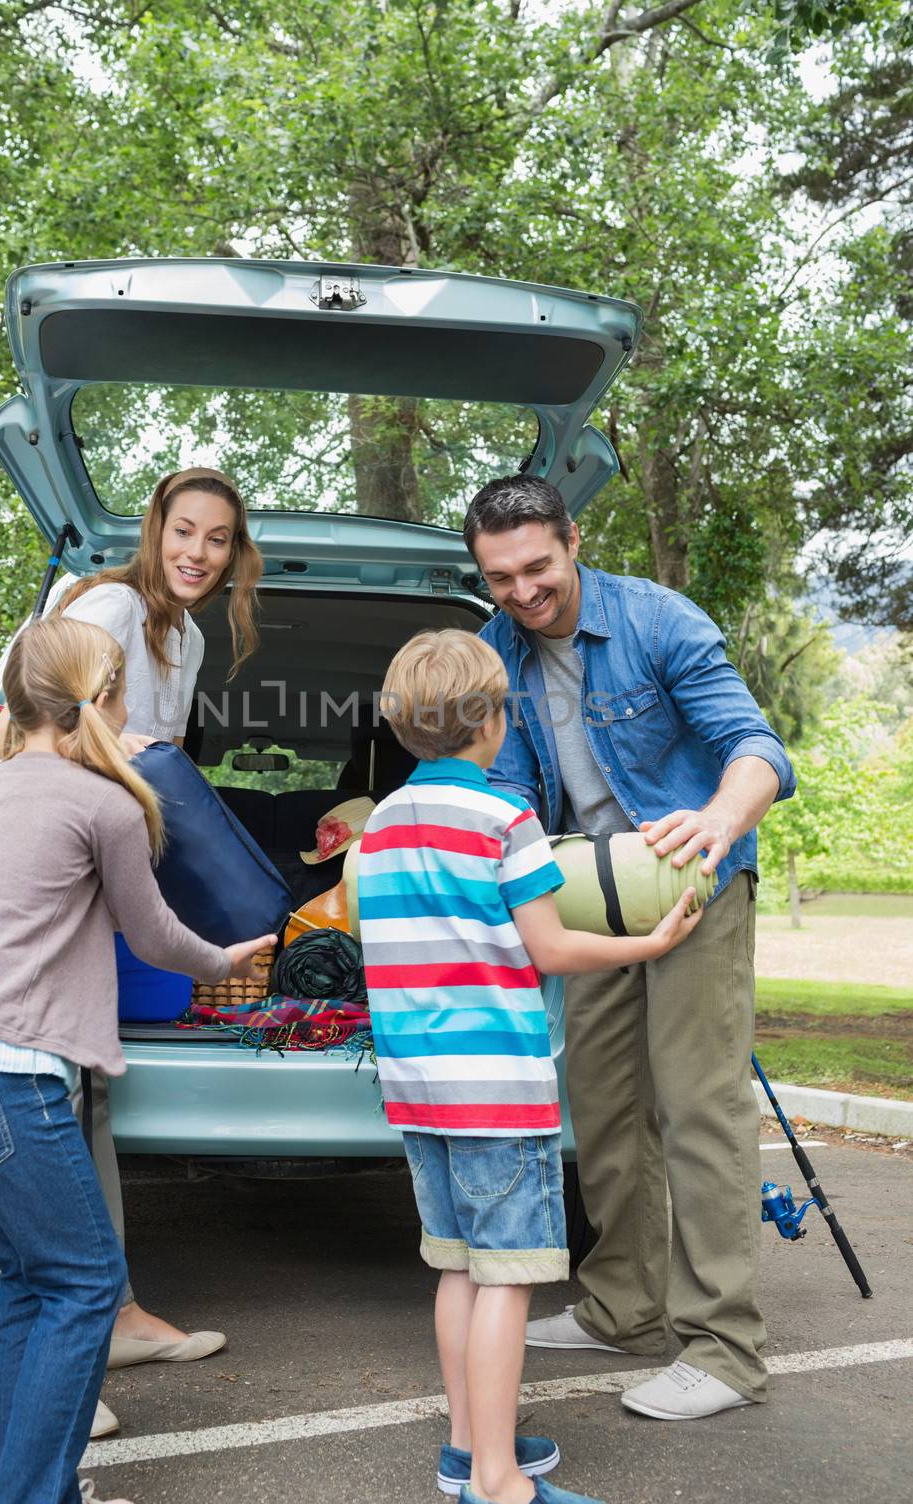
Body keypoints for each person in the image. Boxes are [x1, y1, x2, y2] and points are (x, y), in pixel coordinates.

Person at [0, 619, 275, 1504]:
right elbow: (155, 933)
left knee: (33, 1278)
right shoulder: (108, 804)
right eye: (123, 687)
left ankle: (22, 1493)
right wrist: (228, 960)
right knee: (88, 1286)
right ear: (101, 701)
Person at [462, 475, 796, 1422]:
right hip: (585, 896)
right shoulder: (497, 651)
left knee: (698, 1105)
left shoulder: (656, 621)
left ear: (571, 540)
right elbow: (516, 801)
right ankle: (623, 1305)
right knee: (604, 1108)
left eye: (536, 567)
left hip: (694, 883)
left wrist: (717, 823)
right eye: (499, 578)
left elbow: (755, 747)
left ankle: (723, 1349)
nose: (523, 592)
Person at [357, 629, 703, 1504]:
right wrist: (646, 940)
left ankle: (464, 1447)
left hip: (416, 1089)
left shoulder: (382, 824)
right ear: (494, 723)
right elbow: (547, 946)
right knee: (507, 1279)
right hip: (495, 1090)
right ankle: (497, 1479)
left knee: (454, 1266)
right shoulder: (504, 823)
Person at [0, 465, 263, 1400]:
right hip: (54, 857)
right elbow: (37, 727)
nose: (197, 553)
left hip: (98, 864)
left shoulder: (179, 634)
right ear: (155, 531)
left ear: (233, 554)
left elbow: (148, 765)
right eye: (184, 531)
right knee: (48, 1090)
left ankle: (120, 1315)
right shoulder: (102, 606)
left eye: (217, 539)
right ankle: (66, 1351)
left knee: (88, 1084)